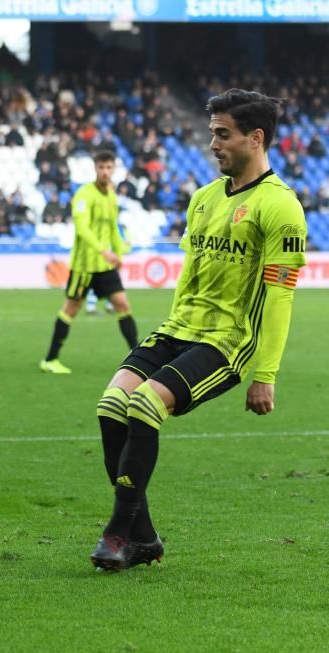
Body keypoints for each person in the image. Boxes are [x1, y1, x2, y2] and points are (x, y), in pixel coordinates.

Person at [90, 90, 307, 571]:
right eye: (212, 133)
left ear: (256, 138)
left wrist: (265, 373)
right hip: (179, 329)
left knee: (145, 405)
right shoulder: (205, 199)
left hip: (226, 341)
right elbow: (191, 274)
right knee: (110, 407)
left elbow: (281, 294)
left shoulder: (281, 207)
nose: (213, 144)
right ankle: (143, 536)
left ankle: (118, 532)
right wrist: (168, 331)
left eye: (222, 134)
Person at [40, 151, 139, 374]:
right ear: (95, 168)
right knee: (71, 309)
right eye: (101, 167)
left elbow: (114, 228)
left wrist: (119, 255)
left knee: (123, 305)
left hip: (104, 267)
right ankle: (50, 359)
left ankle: (138, 359)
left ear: (114, 169)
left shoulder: (112, 196)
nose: (105, 172)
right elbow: (82, 228)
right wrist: (105, 251)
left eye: (109, 167)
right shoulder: (84, 195)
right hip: (84, 266)